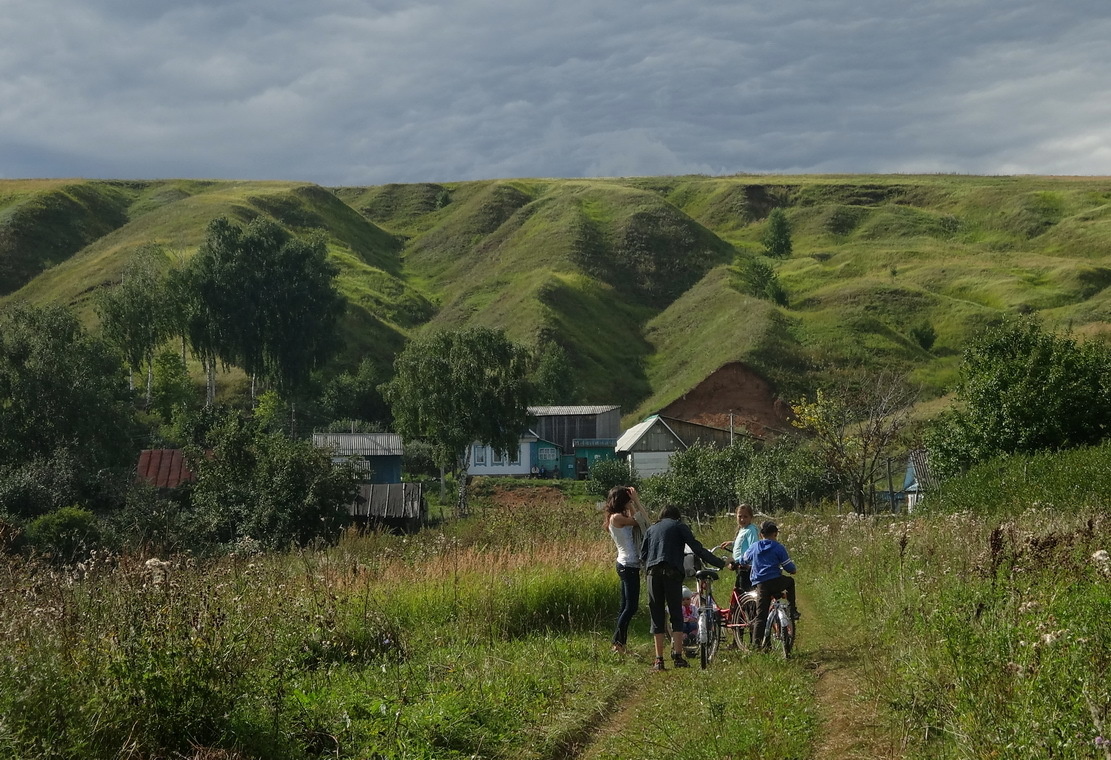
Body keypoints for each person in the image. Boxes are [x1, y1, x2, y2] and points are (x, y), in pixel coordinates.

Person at [640, 505, 727, 671]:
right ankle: (678, 656)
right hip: (672, 573)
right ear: (677, 517)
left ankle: (659, 660)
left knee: (657, 615)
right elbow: (697, 549)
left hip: (652, 573)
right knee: (676, 613)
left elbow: (643, 555)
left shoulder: (652, 529)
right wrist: (720, 563)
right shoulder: (679, 526)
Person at [604, 485, 649, 654]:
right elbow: (644, 520)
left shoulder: (617, 517)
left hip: (626, 564)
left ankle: (619, 644)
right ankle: (617, 643)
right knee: (631, 607)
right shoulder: (617, 518)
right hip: (628, 565)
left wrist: (630, 502)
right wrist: (635, 501)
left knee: (625, 607)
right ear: (623, 501)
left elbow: (641, 520)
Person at [742, 520, 799, 649]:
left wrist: (737, 562)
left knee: (760, 615)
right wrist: (793, 570)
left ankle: (756, 645)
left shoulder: (755, 546)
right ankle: (793, 609)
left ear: (761, 534)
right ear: (775, 533)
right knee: (790, 582)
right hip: (776, 582)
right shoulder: (779, 547)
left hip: (762, 585)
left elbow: (744, 558)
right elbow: (788, 566)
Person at [718, 503, 759, 592]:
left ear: (751, 517)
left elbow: (753, 547)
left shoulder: (750, 530)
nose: (742, 519)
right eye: (740, 516)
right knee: (738, 589)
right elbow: (743, 544)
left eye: (745, 516)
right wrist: (732, 543)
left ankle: (748, 606)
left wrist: (747, 562)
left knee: (745, 591)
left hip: (746, 567)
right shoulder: (743, 529)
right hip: (738, 565)